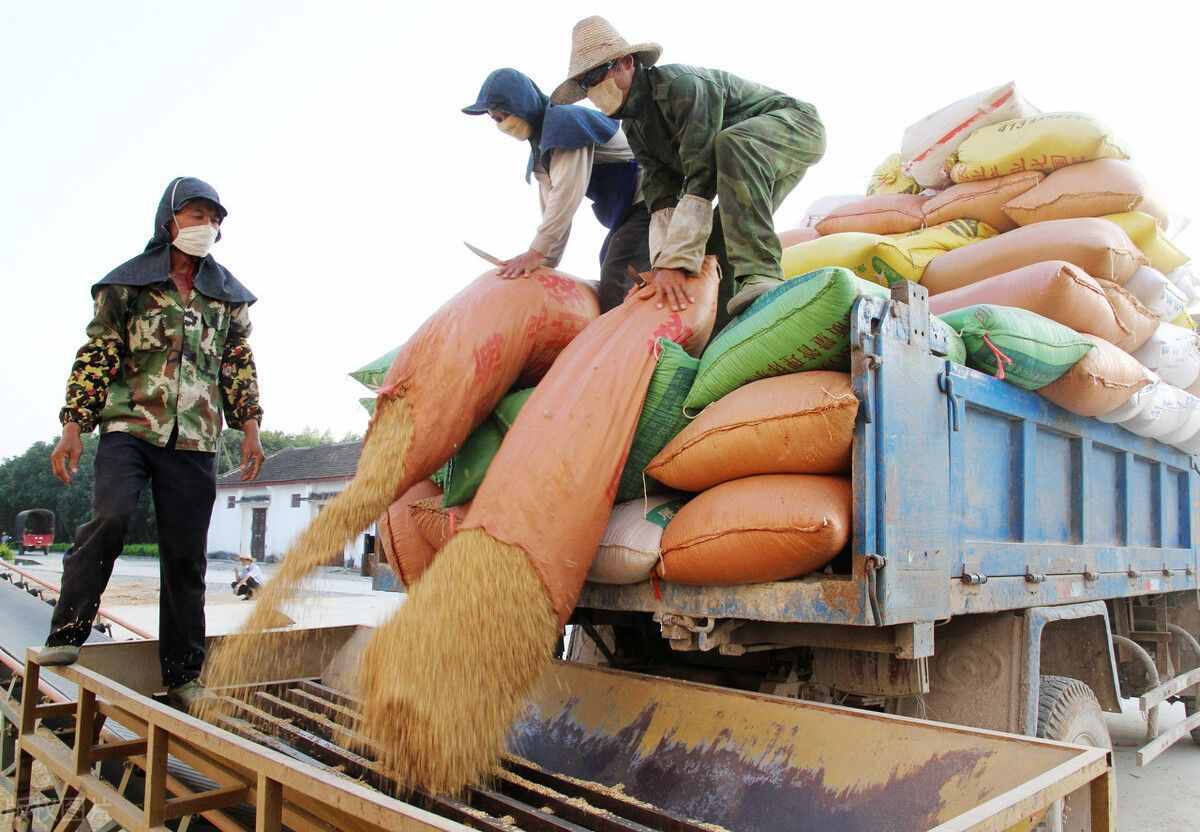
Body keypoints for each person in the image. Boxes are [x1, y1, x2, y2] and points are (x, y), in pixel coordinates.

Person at [41, 176, 266, 711]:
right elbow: (98, 352)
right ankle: (68, 631)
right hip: (129, 428)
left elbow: (237, 363)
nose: (204, 226)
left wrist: (251, 424)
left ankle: (185, 674)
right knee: (111, 518)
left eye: (213, 218)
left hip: (196, 440)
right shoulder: (130, 286)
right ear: (169, 221)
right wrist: (73, 423)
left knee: (186, 557)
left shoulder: (227, 296)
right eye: (194, 215)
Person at [552, 17, 826, 328]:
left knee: (731, 144)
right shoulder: (636, 127)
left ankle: (761, 275)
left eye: (597, 76)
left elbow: (702, 174)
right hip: (742, 165)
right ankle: (725, 330)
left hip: (794, 128)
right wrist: (662, 265)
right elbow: (662, 194)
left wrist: (676, 261)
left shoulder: (681, 87)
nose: (593, 89)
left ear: (626, 63)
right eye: (586, 84)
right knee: (718, 242)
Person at [464, 68, 651, 312]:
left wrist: (535, 253)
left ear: (522, 105)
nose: (502, 125)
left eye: (504, 116)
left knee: (617, 271)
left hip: (652, 198)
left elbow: (566, 196)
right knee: (612, 261)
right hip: (629, 211)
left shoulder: (566, 124)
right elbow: (552, 210)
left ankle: (636, 343)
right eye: (496, 120)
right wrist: (544, 263)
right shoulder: (542, 152)